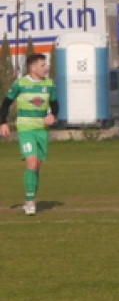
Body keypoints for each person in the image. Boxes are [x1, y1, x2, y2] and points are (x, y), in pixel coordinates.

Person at [0, 53, 59, 215]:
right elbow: (6, 103)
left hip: (42, 130)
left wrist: (53, 115)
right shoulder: (21, 83)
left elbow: (55, 105)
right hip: (26, 128)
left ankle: (30, 197)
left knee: (37, 166)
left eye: (46, 65)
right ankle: (30, 202)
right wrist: (3, 122)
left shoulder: (49, 84)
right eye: (42, 65)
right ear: (32, 68)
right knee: (31, 163)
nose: (46, 68)